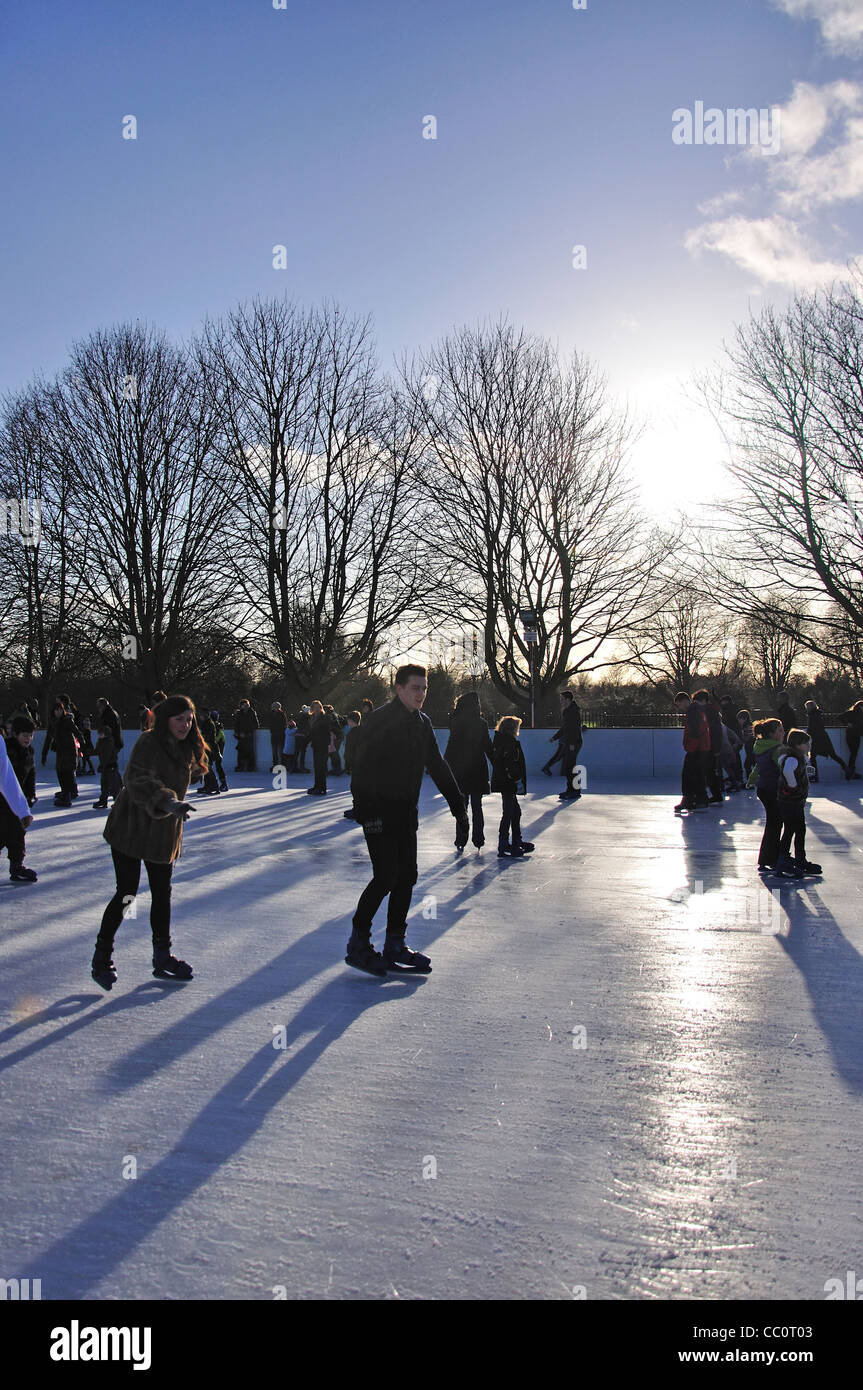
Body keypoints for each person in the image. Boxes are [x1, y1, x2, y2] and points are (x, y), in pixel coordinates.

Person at [347, 663, 468, 975]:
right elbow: (361, 769)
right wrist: (366, 813)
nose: (421, 694)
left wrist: (458, 807)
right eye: (416, 688)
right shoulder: (379, 720)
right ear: (398, 688)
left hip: (406, 814)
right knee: (385, 877)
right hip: (378, 814)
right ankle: (358, 943)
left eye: (424, 688)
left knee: (407, 877)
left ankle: (395, 943)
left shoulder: (422, 723)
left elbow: (437, 764)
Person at [90, 694, 206, 991]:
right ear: (166, 719)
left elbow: (193, 770)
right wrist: (168, 802)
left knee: (162, 893)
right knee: (127, 893)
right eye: (179, 719)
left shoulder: (186, 746)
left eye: (189, 719)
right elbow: (137, 779)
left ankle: (162, 956)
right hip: (131, 827)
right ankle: (102, 956)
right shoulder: (148, 742)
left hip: (162, 832)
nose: (185, 725)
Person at [444, 691, 494, 850]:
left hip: (461, 769)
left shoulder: (455, 721)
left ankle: (461, 838)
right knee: (477, 806)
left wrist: (444, 764)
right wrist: (498, 763)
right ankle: (478, 839)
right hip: (477, 768)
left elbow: (452, 745)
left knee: (462, 806)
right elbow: (488, 746)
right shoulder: (481, 723)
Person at [775, 729, 821, 877]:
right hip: (791, 801)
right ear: (797, 744)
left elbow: (791, 770)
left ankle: (793, 859)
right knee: (794, 829)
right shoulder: (793, 758)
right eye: (806, 744)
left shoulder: (794, 758)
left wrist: (805, 771)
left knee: (795, 829)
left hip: (793, 801)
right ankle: (788, 859)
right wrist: (793, 785)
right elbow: (788, 771)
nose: (809, 746)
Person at [491, 715, 535, 858]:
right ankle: (505, 843)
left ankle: (515, 841)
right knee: (509, 813)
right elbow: (510, 764)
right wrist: (517, 780)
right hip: (508, 783)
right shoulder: (509, 743)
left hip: (504, 781)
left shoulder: (501, 741)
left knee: (515, 812)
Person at [746, 717, 785, 873]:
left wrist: (751, 780)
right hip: (772, 789)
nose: (783, 733)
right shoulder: (777, 749)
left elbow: (758, 766)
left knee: (772, 823)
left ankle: (766, 858)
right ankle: (772, 857)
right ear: (772, 734)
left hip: (763, 788)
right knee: (775, 824)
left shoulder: (761, 746)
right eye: (780, 730)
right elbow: (783, 769)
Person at [0, 733, 36, 882]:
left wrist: (22, 809)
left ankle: (16, 866)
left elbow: (6, 776)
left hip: (7, 801)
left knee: (15, 831)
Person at [673, 691, 710, 814]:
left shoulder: (693, 712)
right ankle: (701, 799)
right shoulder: (698, 710)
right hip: (702, 748)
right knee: (698, 775)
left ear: (684, 701)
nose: (680, 708)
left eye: (679, 705)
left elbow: (695, 732)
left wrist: (691, 747)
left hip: (696, 748)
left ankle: (688, 800)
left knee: (688, 775)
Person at [692, 690, 724, 803]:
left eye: (696, 701)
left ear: (703, 701)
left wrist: (716, 748)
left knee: (708, 772)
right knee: (709, 772)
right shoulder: (710, 711)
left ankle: (713, 795)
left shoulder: (708, 712)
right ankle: (715, 794)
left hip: (708, 747)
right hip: (709, 746)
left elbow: (715, 731)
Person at [804, 699, 848, 781]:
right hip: (824, 738)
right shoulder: (818, 715)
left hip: (818, 740)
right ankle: (846, 769)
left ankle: (815, 776)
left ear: (809, 708)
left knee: (813, 757)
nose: (806, 709)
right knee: (832, 755)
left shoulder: (812, 716)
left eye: (807, 707)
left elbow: (811, 729)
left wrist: (806, 736)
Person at [50, 701, 81, 807]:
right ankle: (66, 793)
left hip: (68, 750)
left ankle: (67, 796)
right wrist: (54, 743)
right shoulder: (56, 721)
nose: (57, 712)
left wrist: (83, 743)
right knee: (61, 772)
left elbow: (76, 732)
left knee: (67, 773)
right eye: (56, 710)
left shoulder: (67, 721)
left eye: (59, 710)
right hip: (61, 750)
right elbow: (57, 735)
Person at [557, 690, 583, 800]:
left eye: (562, 699)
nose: (561, 701)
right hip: (569, 742)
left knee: (570, 767)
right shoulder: (567, 711)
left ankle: (575, 791)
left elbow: (575, 729)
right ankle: (571, 790)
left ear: (568, 700)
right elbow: (565, 728)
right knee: (568, 767)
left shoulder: (573, 712)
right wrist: (555, 737)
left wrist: (572, 743)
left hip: (574, 742)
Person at [6, 716, 37, 806]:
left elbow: (31, 775)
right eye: (25, 735)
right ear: (15, 734)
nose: (28, 739)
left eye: (31, 735)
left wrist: (30, 795)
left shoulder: (29, 752)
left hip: (19, 797)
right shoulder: (6, 750)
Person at [93, 723, 123, 808]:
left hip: (110, 765)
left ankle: (118, 802)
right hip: (105, 766)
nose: (99, 735)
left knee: (114, 786)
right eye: (99, 733)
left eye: (100, 733)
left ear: (105, 733)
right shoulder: (100, 741)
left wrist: (102, 765)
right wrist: (86, 752)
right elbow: (97, 751)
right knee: (104, 785)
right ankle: (103, 801)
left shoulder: (109, 741)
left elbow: (107, 755)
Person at [307, 701, 330, 795]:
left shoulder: (324, 718)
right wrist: (307, 740)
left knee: (321, 767)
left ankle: (322, 788)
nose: (316, 709)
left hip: (322, 746)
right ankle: (316, 786)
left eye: (318, 707)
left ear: (321, 708)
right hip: (316, 745)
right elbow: (312, 732)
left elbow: (326, 732)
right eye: (314, 707)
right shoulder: (313, 718)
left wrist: (327, 744)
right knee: (316, 767)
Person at [342, 711, 362, 819]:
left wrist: (347, 764)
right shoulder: (364, 731)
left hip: (356, 763)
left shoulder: (351, 734)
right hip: (363, 763)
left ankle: (357, 809)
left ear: (350, 721)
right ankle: (361, 808)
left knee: (355, 787)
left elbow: (348, 751)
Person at [233, 699, 259, 772]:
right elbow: (236, 724)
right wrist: (237, 733)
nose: (247, 706)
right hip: (241, 735)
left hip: (249, 735)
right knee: (241, 751)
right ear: (241, 706)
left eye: (248, 705)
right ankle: (240, 766)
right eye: (245, 705)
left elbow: (256, 724)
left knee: (250, 751)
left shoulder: (252, 713)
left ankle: (251, 767)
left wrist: (249, 731)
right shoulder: (239, 714)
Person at [841, 700, 863, 779]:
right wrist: (847, 723)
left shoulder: (853, 713)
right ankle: (850, 772)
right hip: (853, 736)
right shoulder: (853, 713)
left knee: (853, 754)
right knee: (853, 754)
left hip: (853, 735)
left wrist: (847, 723)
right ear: (860, 707)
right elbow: (839, 717)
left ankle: (850, 772)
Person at [737, 709, 755, 782]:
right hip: (750, 747)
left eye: (739, 719)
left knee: (748, 764)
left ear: (743, 718)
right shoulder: (749, 725)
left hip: (750, 746)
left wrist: (741, 740)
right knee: (750, 763)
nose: (739, 721)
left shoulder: (747, 726)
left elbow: (749, 737)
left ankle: (750, 781)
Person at [269, 702, 287, 772]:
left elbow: (284, 723)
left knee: (280, 751)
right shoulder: (271, 714)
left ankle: (282, 765)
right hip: (275, 734)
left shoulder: (281, 714)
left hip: (280, 734)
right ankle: (275, 765)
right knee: (275, 751)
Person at [294, 706, 311, 773]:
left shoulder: (299, 716)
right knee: (302, 751)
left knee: (297, 751)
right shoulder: (307, 717)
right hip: (303, 736)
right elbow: (308, 727)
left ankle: (294, 766)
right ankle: (302, 767)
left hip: (297, 735)